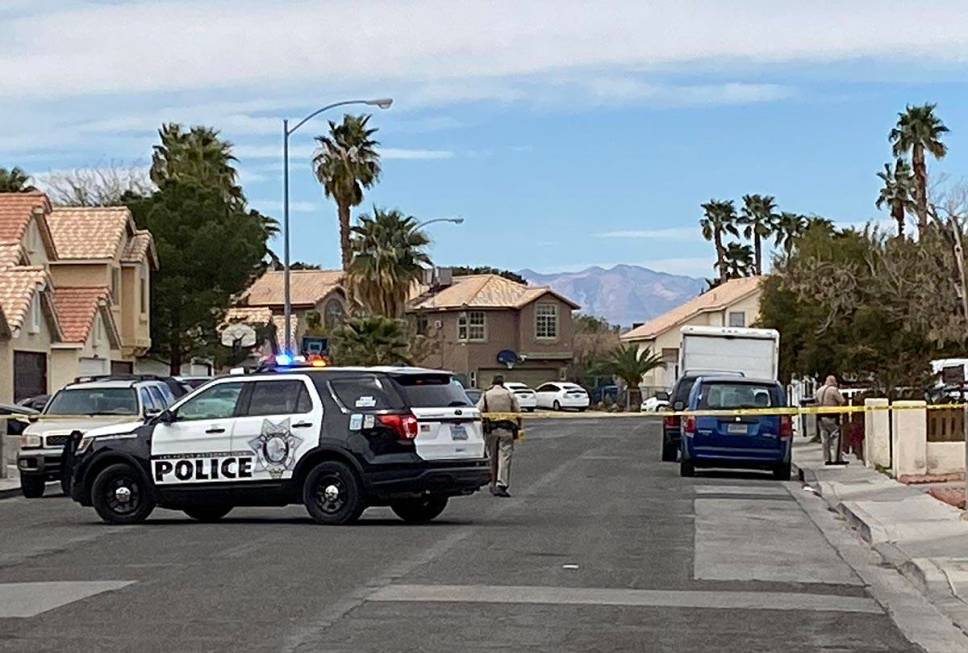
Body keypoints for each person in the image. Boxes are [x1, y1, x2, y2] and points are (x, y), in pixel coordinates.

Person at [476, 375, 521, 497]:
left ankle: (493, 483)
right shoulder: (509, 394)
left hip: (491, 430)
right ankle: (502, 484)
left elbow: (478, 410)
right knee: (504, 457)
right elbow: (518, 411)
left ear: (493, 382)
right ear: (502, 383)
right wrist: (518, 428)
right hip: (507, 430)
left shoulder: (486, 394)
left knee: (492, 457)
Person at [815, 375, 847, 465]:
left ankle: (826, 459)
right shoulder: (833, 390)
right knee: (836, 436)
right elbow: (842, 401)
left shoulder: (819, 390)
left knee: (824, 439)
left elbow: (816, 402)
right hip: (831, 417)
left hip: (820, 418)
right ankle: (837, 459)